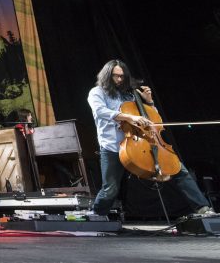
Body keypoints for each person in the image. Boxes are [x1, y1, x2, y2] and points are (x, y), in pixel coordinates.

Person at [87, 59, 212, 217]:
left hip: (141, 143)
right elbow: (100, 111)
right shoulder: (97, 92)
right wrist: (129, 117)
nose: (119, 79)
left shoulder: (129, 95)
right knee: (110, 188)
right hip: (112, 147)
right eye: (115, 76)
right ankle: (97, 215)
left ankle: (203, 208)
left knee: (180, 171)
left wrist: (149, 102)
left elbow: (155, 120)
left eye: (122, 76)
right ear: (106, 75)